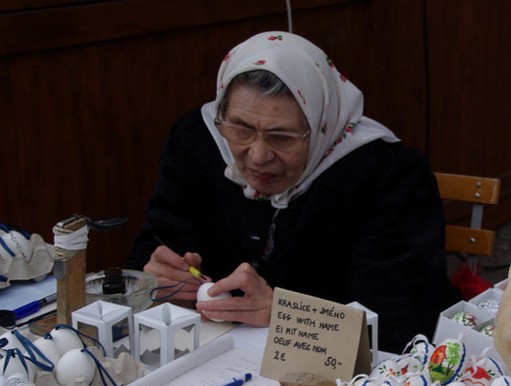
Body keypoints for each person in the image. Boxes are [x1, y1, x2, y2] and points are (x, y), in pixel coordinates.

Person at [126, 31, 461, 352]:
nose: (257, 156)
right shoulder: (196, 143)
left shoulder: (385, 174)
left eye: (283, 137)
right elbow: (155, 244)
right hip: (215, 358)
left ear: (320, 126)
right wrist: (153, 279)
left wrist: (286, 316)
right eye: (241, 128)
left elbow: (402, 325)